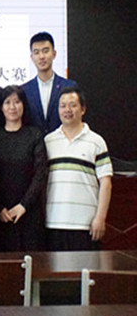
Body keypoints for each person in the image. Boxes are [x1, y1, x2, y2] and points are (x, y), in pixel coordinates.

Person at [44, 86, 112, 251]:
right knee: (54, 269)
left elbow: (106, 183)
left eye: (73, 105)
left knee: (86, 267)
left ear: (83, 109)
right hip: (54, 222)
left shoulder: (96, 142)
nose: (67, 110)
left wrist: (100, 218)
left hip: (85, 224)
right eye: (63, 106)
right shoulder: (48, 141)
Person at [0, 85, 48, 252]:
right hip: (1, 214)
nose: (12, 107)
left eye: (17, 102)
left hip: (29, 210)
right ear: (1, 107)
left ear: (24, 105)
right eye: (7, 102)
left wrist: (24, 205)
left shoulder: (34, 135)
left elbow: (40, 173)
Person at [22, 32, 77, 134]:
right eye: (36, 52)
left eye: (45, 51)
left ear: (54, 54)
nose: (41, 56)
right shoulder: (24, 90)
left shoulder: (69, 86)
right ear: (32, 57)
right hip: (34, 143)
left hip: (63, 141)